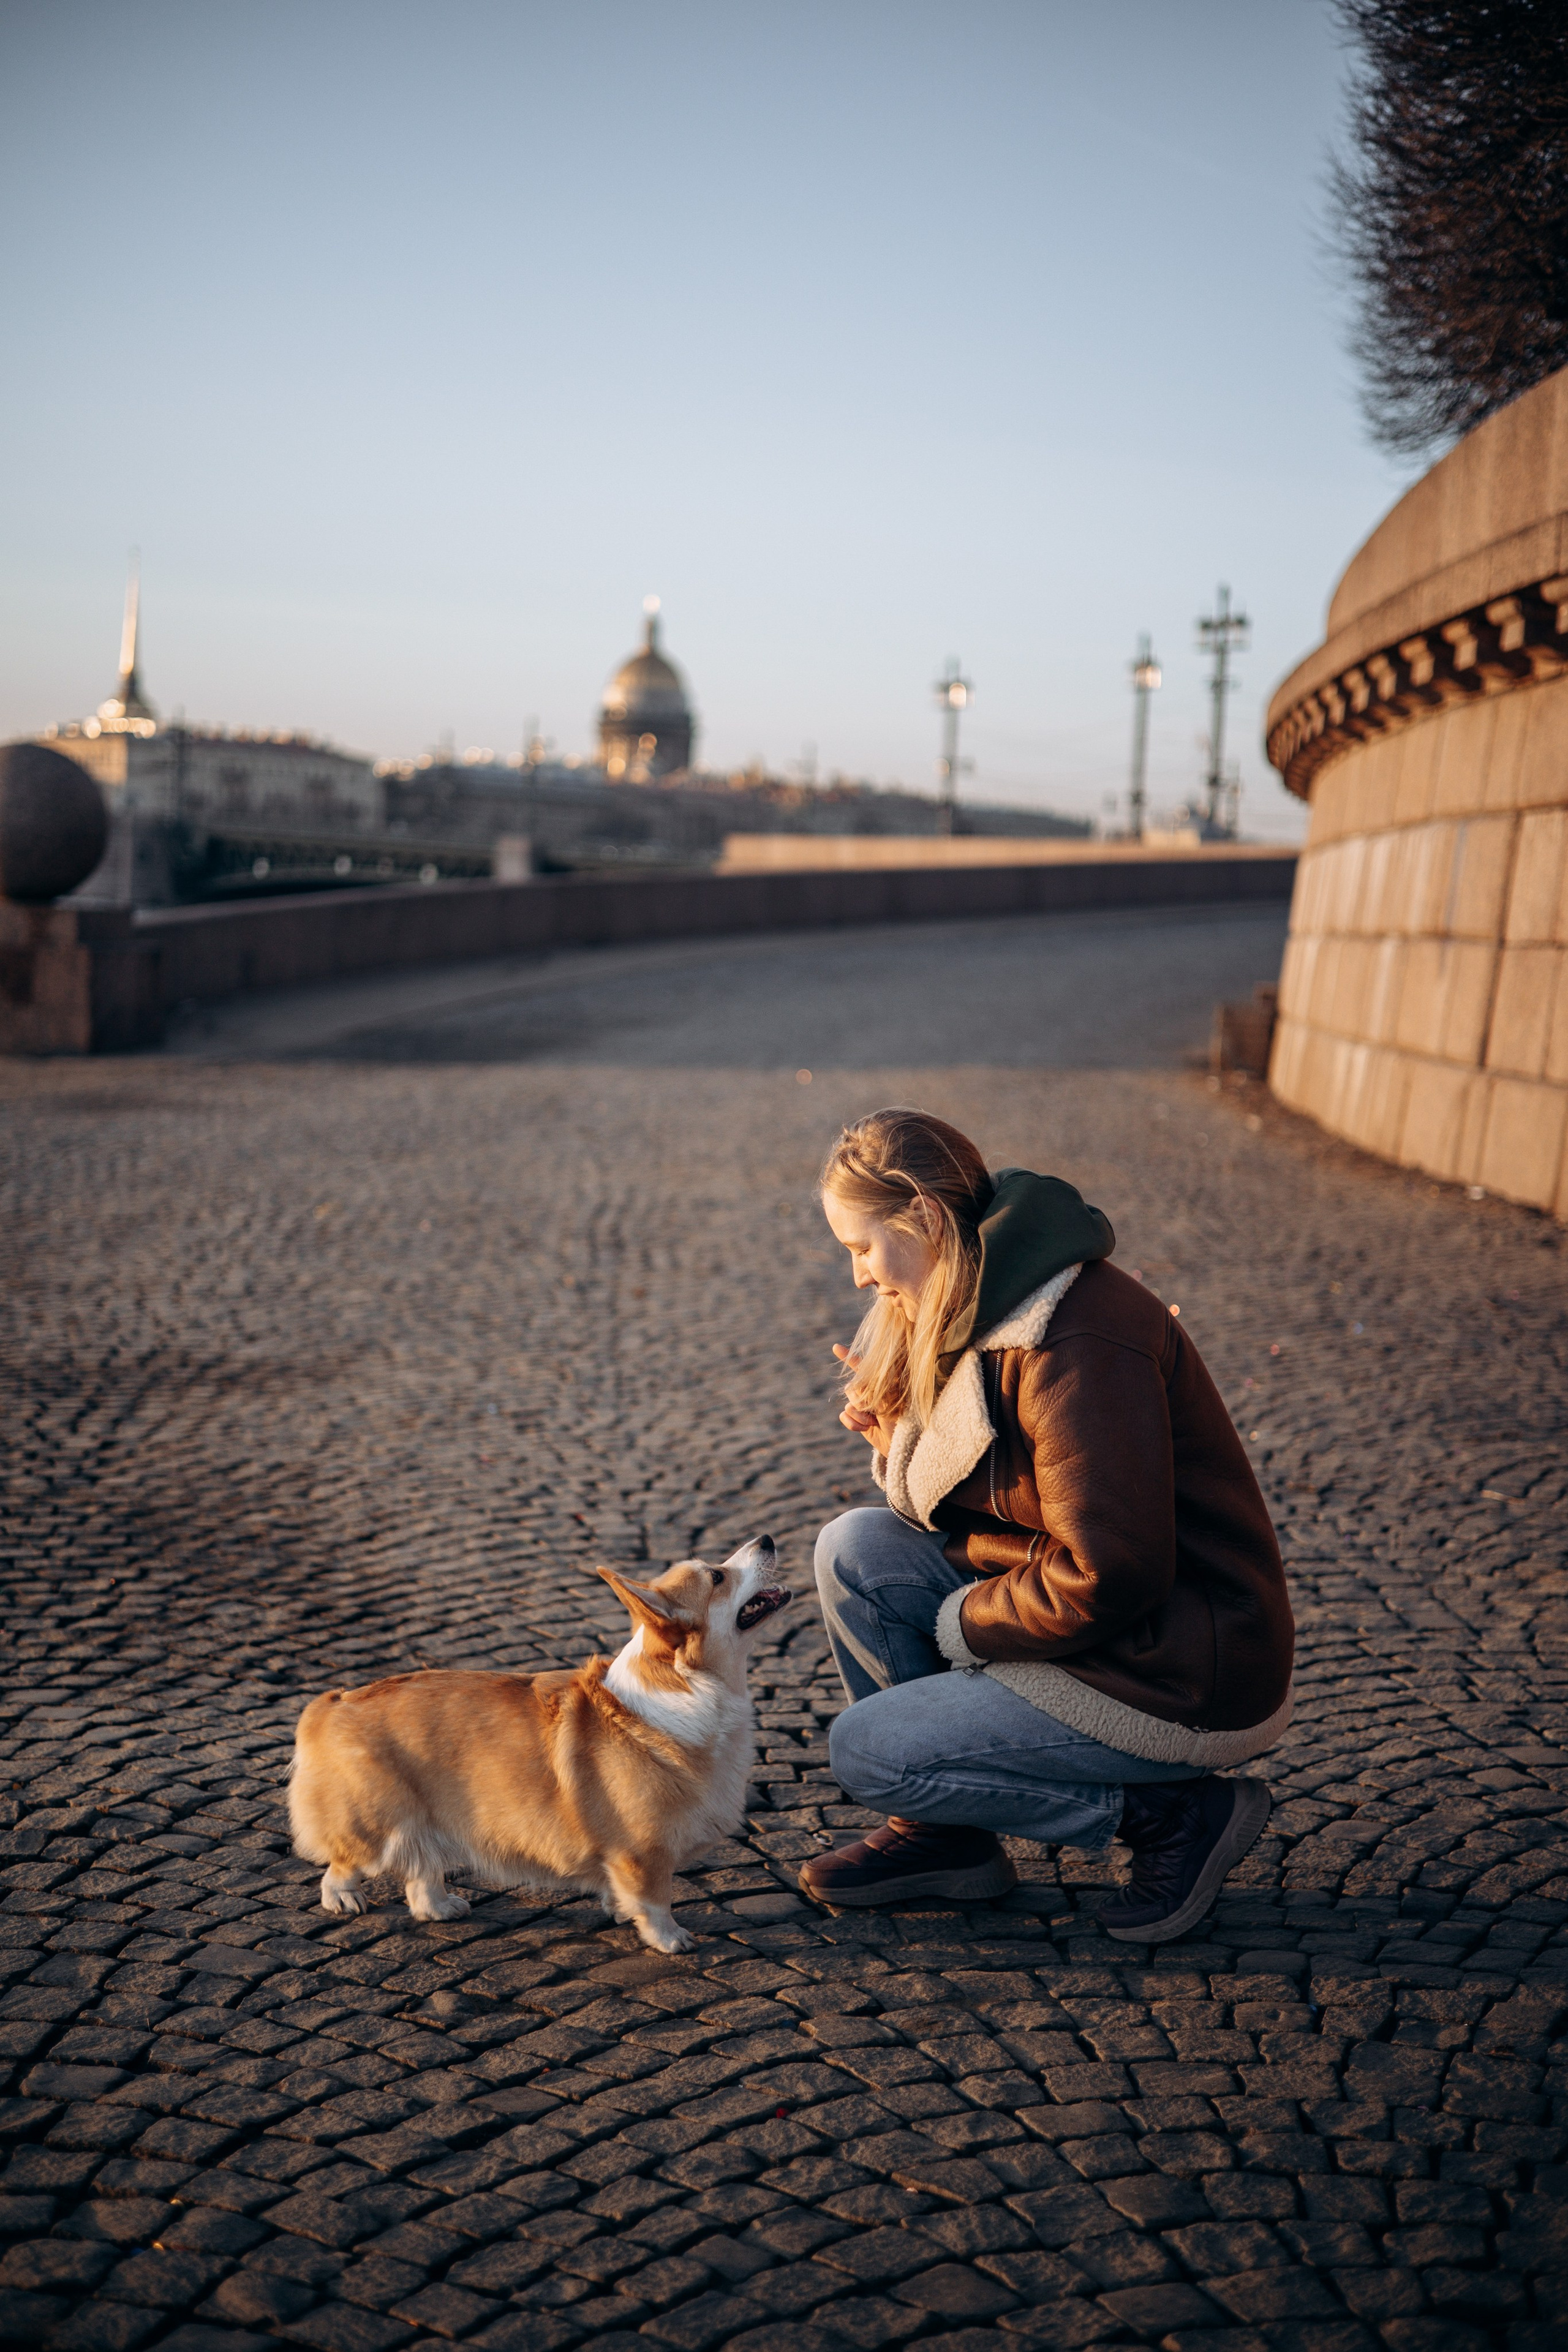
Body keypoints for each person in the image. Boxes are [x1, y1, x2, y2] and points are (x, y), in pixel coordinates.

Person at [800, 1106, 1294, 1943]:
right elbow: (1013, 1495)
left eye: (861, 1247)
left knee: (870, 1754)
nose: (857, 1277)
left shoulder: (1073, 1336)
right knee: (856, 1549)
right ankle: (948, 1840)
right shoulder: (977, 1295)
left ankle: (1173, 1816)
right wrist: (899, 1439)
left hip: (1177, 1664)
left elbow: (1114, 1570)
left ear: (921, 1216)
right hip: (1107, 1623)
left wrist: (961, 1622)